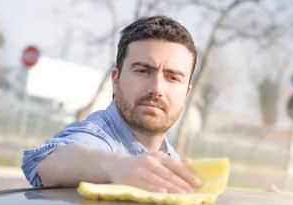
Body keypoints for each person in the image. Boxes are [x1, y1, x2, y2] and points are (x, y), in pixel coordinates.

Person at [21, 15, 202, 195]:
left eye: (172, 77)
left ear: (186, 93)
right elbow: (50, 162)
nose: (157, 89)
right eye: (143, 71)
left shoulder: (172, 159)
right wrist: (117, 167)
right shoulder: (96, 138)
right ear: (116, 79)